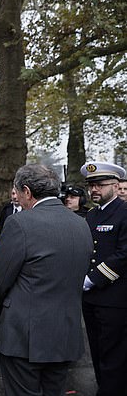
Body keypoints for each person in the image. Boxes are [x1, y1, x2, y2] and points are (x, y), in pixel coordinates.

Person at [0, 164, 92, 396]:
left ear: (27, 191)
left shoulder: (20, 223)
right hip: (64, 334)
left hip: (23, 338)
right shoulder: (81, 224)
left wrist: (8, 314)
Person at [80, 161, 127, 396]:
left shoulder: (124, 212)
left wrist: (91, 280)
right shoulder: (91, 215)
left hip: (114, 298)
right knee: (97, 350)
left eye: (99, 184)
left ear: (116, 186)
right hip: (90, 299)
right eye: (91, 186)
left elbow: (124, 254)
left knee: (113, 353)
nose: (93, 190)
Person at [0, 187, 21, 258]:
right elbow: (0, 231)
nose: (15, 197)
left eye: (17, 194)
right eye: (13, 194)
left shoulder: (28, 211)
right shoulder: (6, 210)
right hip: (6, 249)